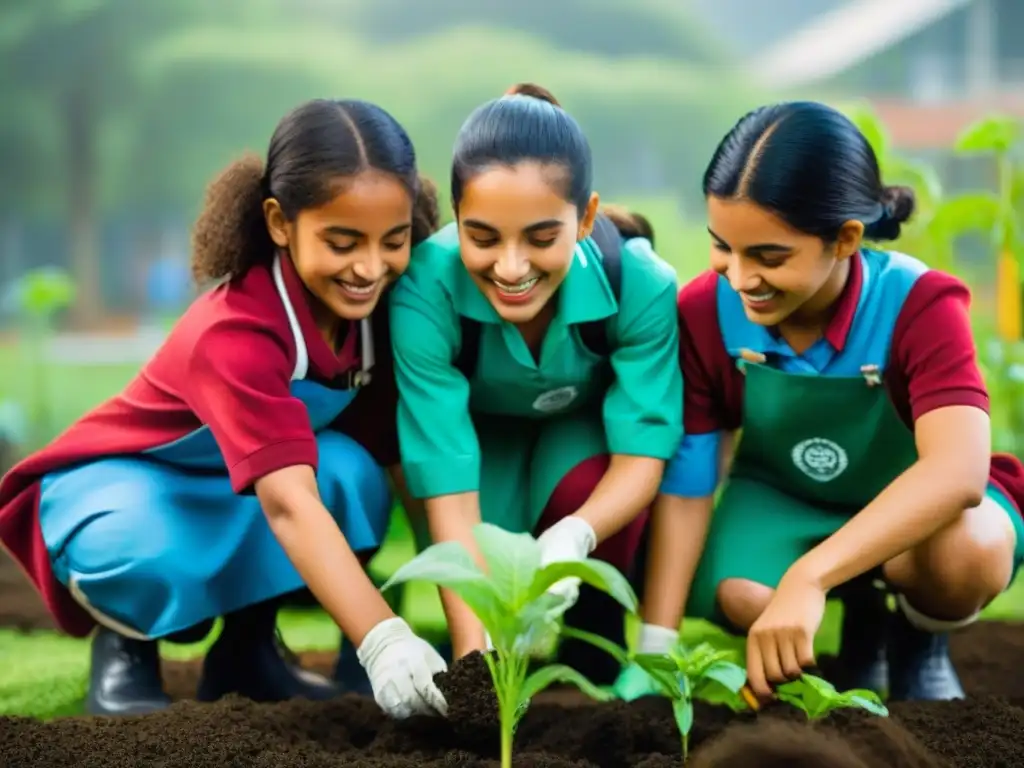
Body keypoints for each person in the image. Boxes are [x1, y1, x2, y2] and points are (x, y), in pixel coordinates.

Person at [0, 98, 449, 720]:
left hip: (246, 487)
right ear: (279, 222)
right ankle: (128, 646)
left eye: (393, 241)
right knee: (140, 541)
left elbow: (407, 470)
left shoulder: (379, 318)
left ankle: (245, 650)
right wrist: (384, 640)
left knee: (354, 476)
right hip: (132, 490)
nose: (370, 268)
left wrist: (464, 618)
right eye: (342, 242)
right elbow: (288, 503)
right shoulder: (237, 330)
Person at [612, 100, 1024, 703]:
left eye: (769, 256)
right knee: (732, 591)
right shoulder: (706, 312)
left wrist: (810, 576)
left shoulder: (918, 304)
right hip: (786, 498)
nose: (740, 276)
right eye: (723, 246)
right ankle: (860, 621)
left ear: (845, 238)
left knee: (970, 555)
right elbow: (691, 485)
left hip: (915, 511)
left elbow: (958, 473)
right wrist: (653, 646)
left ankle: (915, 633)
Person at [386, 83, 683, 685]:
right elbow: (444, 476)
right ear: (457, 215)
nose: (512, 268)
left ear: (587, 216)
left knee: (586, 491)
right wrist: (474, 668)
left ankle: (596, 639)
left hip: (581, 444)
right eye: (484, 237)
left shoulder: (640, 283)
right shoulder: (424, 290)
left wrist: (579, 533)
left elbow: (643, 454)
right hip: (478, 448)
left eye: (543, 239)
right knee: (481, 581)